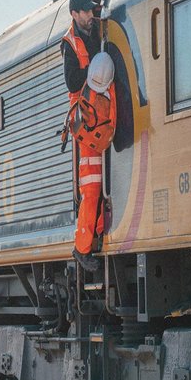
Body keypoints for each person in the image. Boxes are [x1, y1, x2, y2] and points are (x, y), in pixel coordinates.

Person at [68, 49, 117, 261]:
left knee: (92, 198)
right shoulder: (109, 92)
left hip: (92, 151)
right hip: (92, 153)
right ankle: (82, 248)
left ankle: (94, 236)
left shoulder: (86, 91)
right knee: (91, 197)